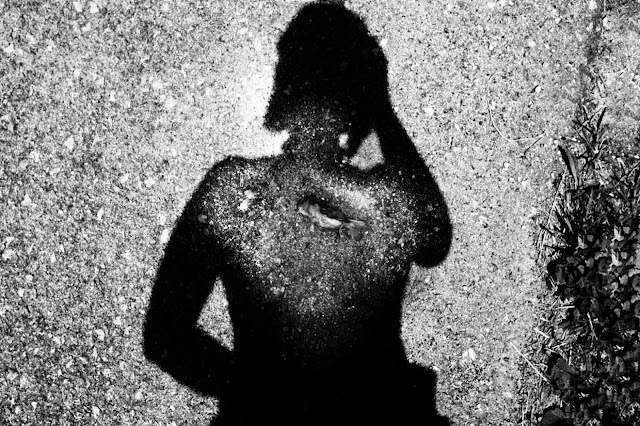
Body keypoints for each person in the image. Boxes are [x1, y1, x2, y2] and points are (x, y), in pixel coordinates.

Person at [144, 2, 452, 425]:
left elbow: (166, 337)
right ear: (360, 96)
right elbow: (433, 241)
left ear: (283, 85)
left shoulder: (237, 190)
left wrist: (262, 397)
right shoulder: (383, 199)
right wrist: (383, 108)